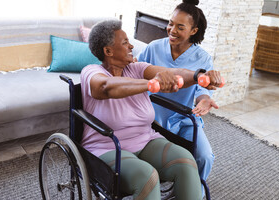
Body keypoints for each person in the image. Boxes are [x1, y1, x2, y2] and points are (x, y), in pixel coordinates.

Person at [80, 19, 222, 200]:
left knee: (187, 163)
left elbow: (175, 73)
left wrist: (198, 75)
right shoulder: (91, 72)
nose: (131, 46)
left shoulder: (137, 68)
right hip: (107, 147)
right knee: (148, 178)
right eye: (125, 43)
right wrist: (149, 84)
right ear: (108, 51)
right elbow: (106, 87)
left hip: (146, 139)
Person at [137, 0, 219, 187]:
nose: (172, 30)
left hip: (183, 119)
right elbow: (135, 73)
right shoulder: (153, 48)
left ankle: (191, 191)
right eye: (171, 23)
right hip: (151, 118)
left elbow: (202, 90)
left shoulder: (203, 58)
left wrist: (205, 100)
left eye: (180, 27)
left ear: (193, 30)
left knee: (205, 157)